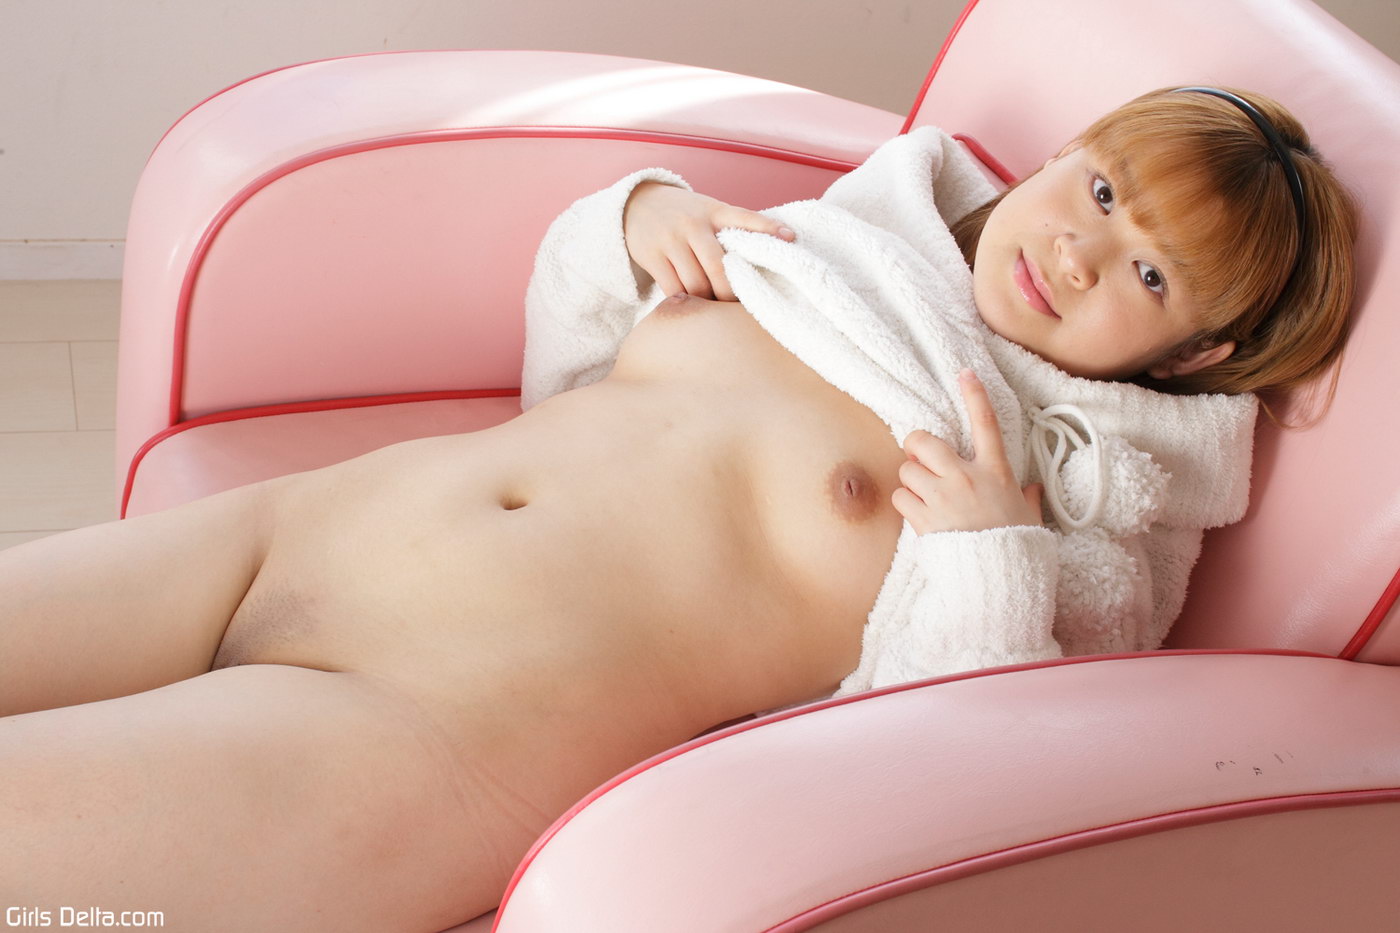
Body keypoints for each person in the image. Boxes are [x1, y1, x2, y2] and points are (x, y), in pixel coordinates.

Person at [0, 86, 1358, 930]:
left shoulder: (1086, 506)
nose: (1077, 248)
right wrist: (635, 220)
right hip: (306, 530)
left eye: (1151, 275)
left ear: (1196, 355)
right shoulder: (858, 242)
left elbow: (948, 766)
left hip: (433, 728)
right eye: (1101, 190)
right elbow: (574, 355)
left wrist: (986, 556)